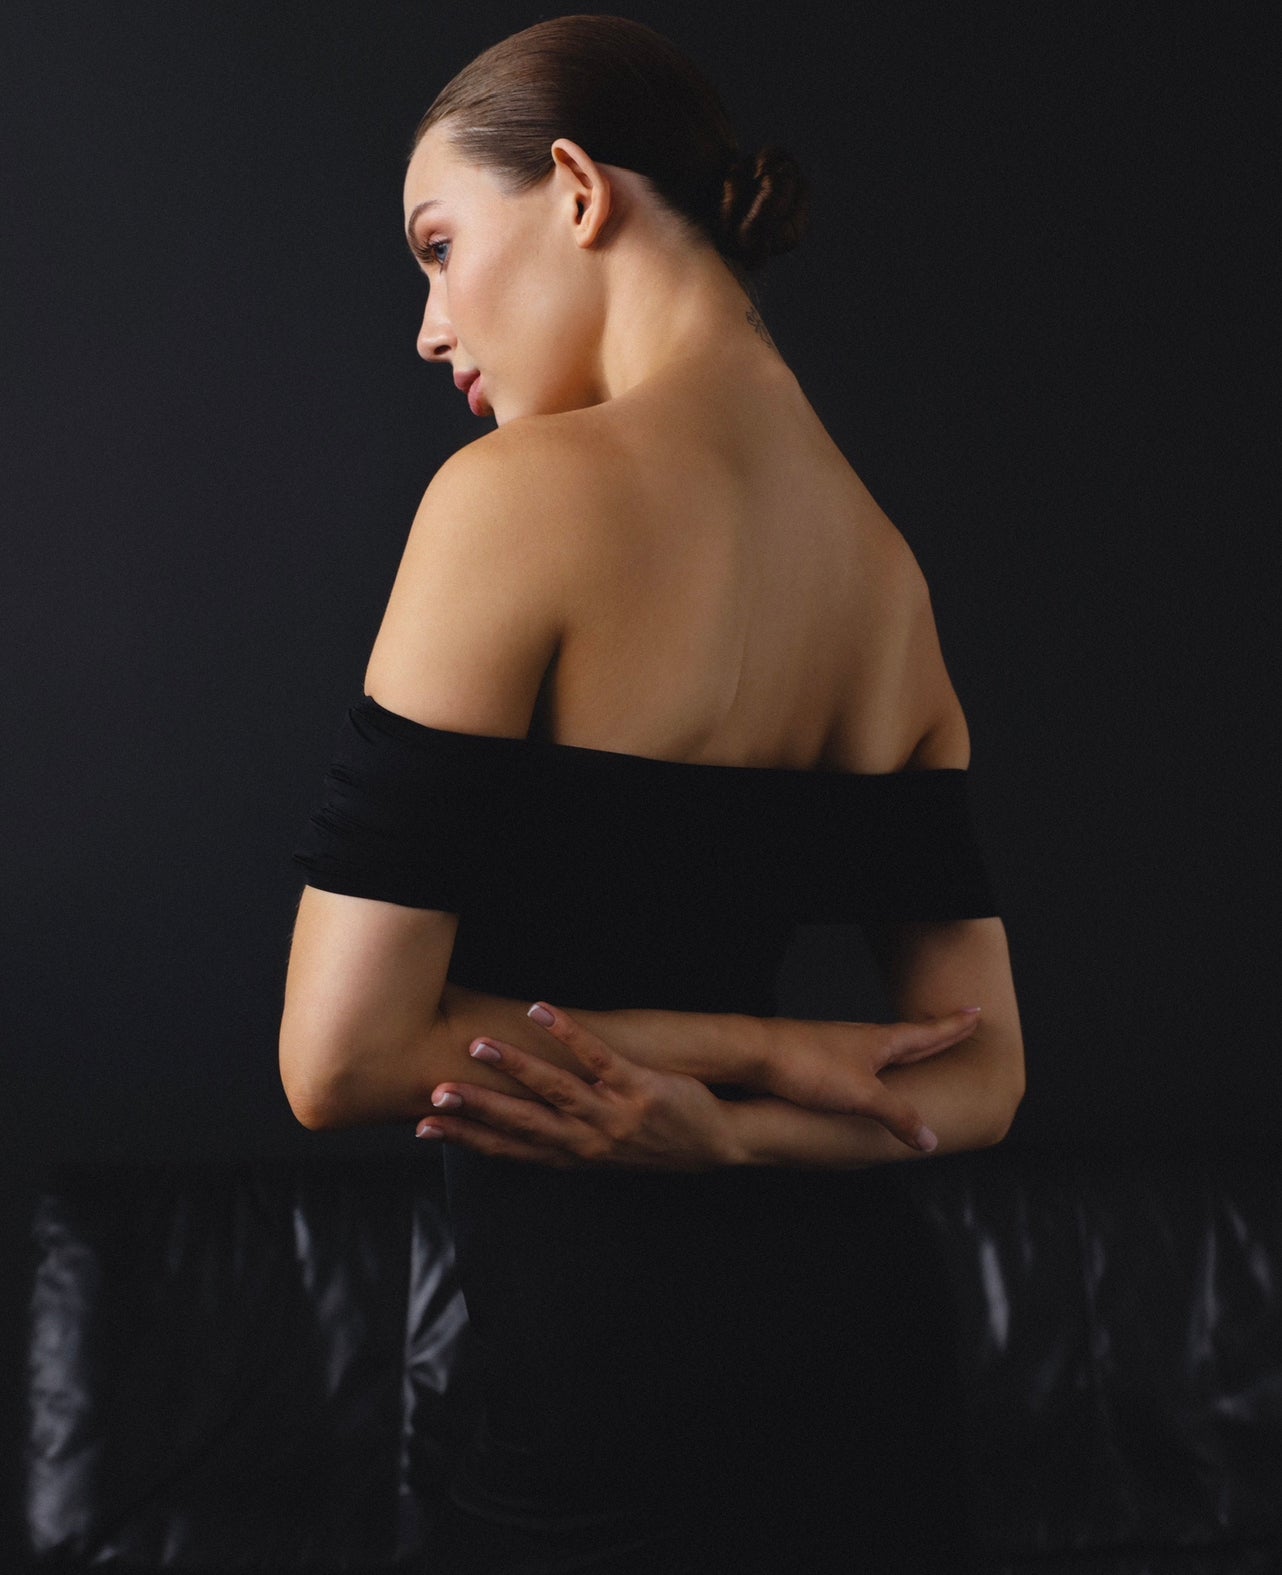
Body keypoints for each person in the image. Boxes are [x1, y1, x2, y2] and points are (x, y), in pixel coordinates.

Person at [280, 15, 1024, 1573]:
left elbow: (337, 1058)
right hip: (868, 1386)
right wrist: (755, 1083)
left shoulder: (511, 502)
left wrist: (735, 1080)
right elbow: (984, 1079)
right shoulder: (887, 575)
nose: (428, 327)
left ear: (576, 189)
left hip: (597, 1390)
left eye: (439, 246)